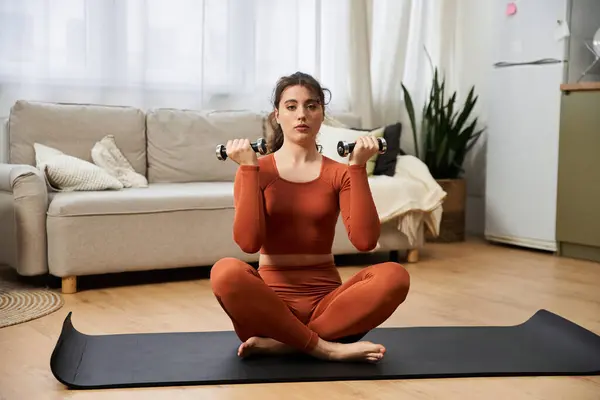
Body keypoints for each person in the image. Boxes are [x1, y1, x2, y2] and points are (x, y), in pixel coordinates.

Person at [210, 71, 410, 364]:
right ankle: (325, 347)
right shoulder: (255, 169)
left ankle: (286, 343)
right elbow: (248, 243)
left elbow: (366, 242)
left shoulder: (339, 173)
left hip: (329, 309)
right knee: (225, 272)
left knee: (395, 275)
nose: (301, 114)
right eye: (291, 107)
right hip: (268, 308)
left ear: (322, 114)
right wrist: (249, 170)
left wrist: (357, 167)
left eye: (311, 105)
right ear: (276, 115)